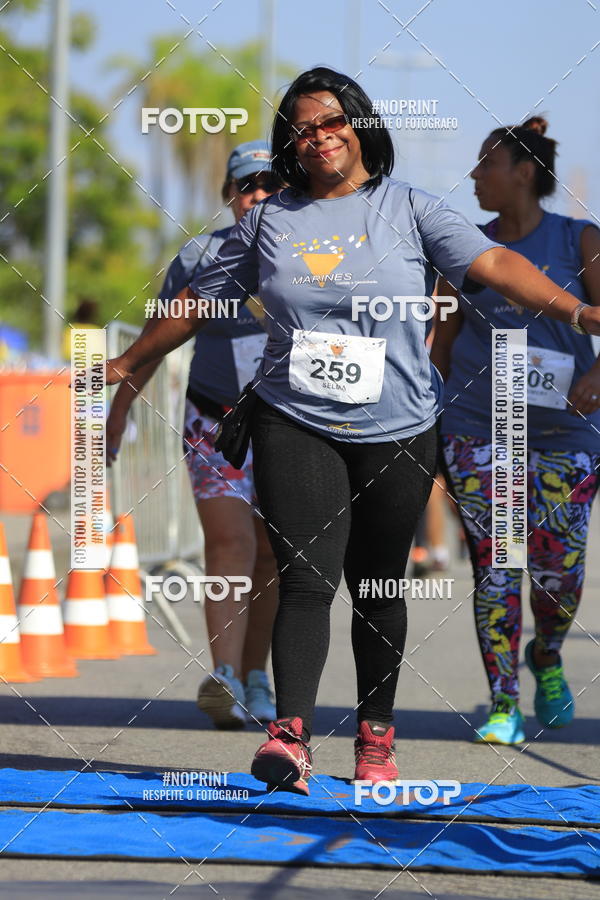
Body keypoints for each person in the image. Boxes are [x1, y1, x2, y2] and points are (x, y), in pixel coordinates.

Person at [105, 68, 600, 795]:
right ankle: (289, 739)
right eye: (302, 129)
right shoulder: (268, 221)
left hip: (397, 427)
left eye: (331, 121)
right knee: (306, 575)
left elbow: (494, 263)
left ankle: (375, 736)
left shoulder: (410, 209)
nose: (318, 137)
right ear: (290, 144)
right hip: (293, 417)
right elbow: (195, 303)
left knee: (376, 585)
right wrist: (127, 361)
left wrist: (579, 314)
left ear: (360, 125)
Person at [432, 117, 600, 745]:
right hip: (481, 429)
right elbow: (440, 345)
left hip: (567, 435)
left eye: (486, 164)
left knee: (559, 575)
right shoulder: (461, 250)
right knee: (497, 565)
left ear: (523, 174)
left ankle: (548, 655)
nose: (474, 175)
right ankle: (502, 701)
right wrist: (426, 425)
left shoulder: (581, 240)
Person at [106, 140, 283, 729]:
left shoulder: (308, 255)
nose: (257, 194)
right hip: (213, 417)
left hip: (288, 422)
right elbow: (156, 340)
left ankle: (257, 676)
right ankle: (225, 676)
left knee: (271, 556)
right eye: (245, 185)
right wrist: (118, 411)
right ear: (229, 195)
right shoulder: (199, 256)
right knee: (230, 545)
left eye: (269, 182)